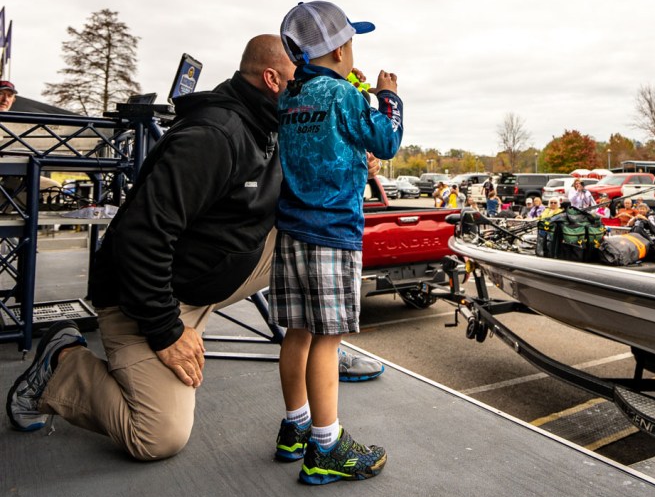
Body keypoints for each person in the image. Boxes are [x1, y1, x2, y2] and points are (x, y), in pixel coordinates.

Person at [5, 35, 378, 461]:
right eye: (302, 75)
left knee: (317, 235)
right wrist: (166, 331)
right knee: (157, 437)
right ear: (272, 80)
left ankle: (322, 352)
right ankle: (63, 361)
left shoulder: (282, 124)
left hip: (211, 276)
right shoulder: (213, 136)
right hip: (148, 298)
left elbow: (308, 192)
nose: (313, 84)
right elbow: (139, 237)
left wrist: (350, 155)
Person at [271, 1, 401, 484]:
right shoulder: (345, 95)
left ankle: (296, 427)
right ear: (341, 50)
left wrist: (350, 89)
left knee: (298, 332)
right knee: (327, 339)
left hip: (292, 231)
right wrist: (388, 98)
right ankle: (326, 446)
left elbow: (324, 135)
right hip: (332, 233)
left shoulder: (290, 97)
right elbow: (386, 141)